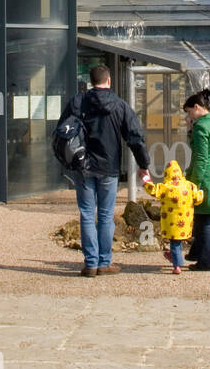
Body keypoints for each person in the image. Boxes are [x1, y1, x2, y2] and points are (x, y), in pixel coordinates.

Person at [59, 65, 150, 277]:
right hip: (109, 167)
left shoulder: (78, 102)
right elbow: (135, 137)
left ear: (91, 82)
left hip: (83, 166)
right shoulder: (120, 105)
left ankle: (90, 263)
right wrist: (143, 164)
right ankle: (104, 262)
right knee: (107, 215)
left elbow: (63, 130)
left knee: (87, 214)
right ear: (108, 81)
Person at [181, 88, 210, 272]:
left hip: (205, 175)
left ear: (198, 107)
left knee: (203, 220)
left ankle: (207, 261)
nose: (189, 116)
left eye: (190, 112)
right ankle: (195, 252)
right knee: (202, 217)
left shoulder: (201, 127)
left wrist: (193, 183)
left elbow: (200, 158)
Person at [142, 159, 204, 274]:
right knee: (178, 241)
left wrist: (146, 179)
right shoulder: (189, 186)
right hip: (185, 222)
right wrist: (201, 192)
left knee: (174, 243)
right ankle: (172, 255)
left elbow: (152, 190)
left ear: (167, 174)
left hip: (170, 222)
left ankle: (177, 265)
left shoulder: (165, 187)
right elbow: (198, 198)